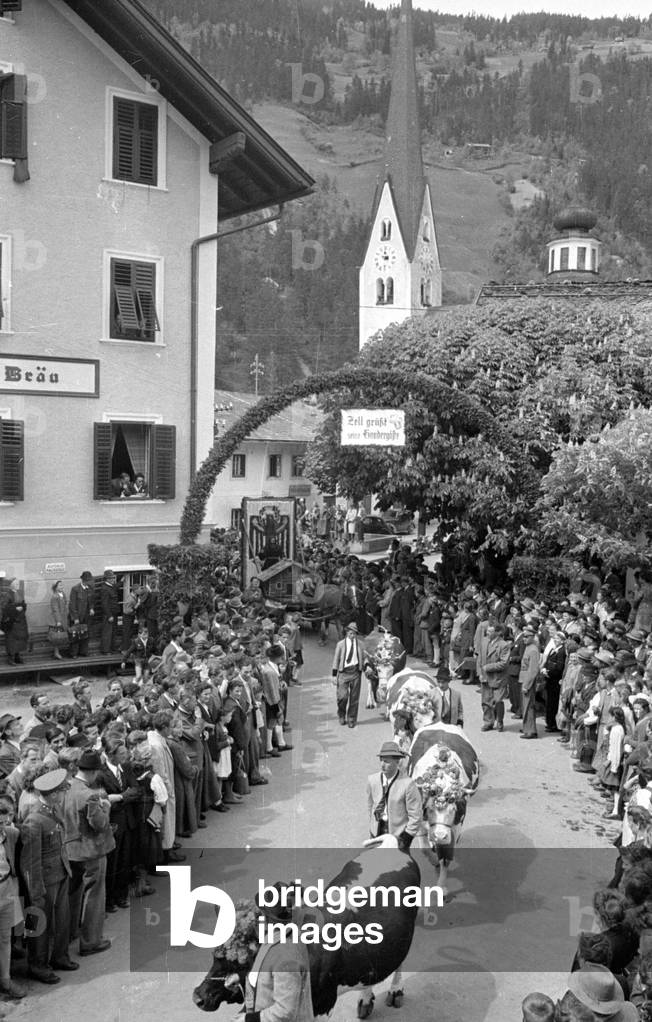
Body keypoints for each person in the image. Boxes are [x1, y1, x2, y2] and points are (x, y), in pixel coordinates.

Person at [20, 768, 77, 983]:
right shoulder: (34, 820)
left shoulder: (52, 810)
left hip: (60, 872)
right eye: (63, 791)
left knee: (62, 919)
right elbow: (30, 861)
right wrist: (35, 891)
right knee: (38, 924)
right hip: (43, 881)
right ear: (53, 794)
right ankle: (38, 965)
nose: (64, 794)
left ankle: (60, 956)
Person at [63, 749, 114, 957]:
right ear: (92, 772)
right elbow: (100, 824)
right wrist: (106, 808)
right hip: (92, 851)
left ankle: (72, 933)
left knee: (75, 894)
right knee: (94, 894)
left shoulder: (67, 788)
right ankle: (91, 940)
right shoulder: (89, 795)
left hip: (71, 850)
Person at [366, 740, 422, 851]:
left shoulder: (408, 784)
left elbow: (415, 814)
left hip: (398, 835)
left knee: (398, 865)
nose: (382, 765)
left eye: (386, 761)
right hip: (376, 831)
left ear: (397, 762)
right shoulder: (372, 780)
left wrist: (406, 837)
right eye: (381, 760)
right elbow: (370, 805)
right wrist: (373, 824)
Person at [0, 790, 25, 998]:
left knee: (6, 937)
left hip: (6, 888)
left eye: (8, 815)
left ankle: (6, 980)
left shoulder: (10, 833)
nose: (6, 820)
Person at [332, 622, 366, 728]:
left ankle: (351, 718)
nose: (353, 636)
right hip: (343, 673)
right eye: (351, 633)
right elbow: (336, 659)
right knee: (342, 697)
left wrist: (367, 666)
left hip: (355, 672)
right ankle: (341, 714)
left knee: (354, 698)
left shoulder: (360, 644)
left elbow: (364, 658)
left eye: (355, 634)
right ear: (347, 633)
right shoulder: (341, 644)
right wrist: (334, 675)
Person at [519, 625, 541, 739]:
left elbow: (533, 670)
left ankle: (531, 730)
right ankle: (527, 727)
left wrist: (526, 685)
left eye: (527, 636)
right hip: (524, 679)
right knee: (525, 705)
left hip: (528, 682)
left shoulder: (533, 650)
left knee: (529, 706)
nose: (524, 638)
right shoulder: (528, 647)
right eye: (523, 636)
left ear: (533, 637)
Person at [68, 571, 95, 659]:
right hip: (78, 616)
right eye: (87, 580)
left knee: (86, 634)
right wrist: (75, 618)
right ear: (83, 580)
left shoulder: (90, 588)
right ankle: (74, 653)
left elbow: (91, 601)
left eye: (89, 580)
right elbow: (72, 605)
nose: (89, 582)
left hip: (87, 616)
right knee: (75, 635)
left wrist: (91, 608)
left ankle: (83, 652)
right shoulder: (75, 589)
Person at [1, 578, 28, 666]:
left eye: (17, 583)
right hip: (12, 622)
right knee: (11, 640)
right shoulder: (7, 595)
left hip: (20, 622)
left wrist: (23, 607)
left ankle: (17, 656)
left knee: (19, 639)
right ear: (11, 585)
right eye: (15, 583)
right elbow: (5, 608)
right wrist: (15, 609)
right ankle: (11, 658)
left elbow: (24, 604)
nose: (17, 585)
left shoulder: (19, 593)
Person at [100, 569, 120, 655]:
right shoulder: (104, 589)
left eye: (113, 578)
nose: (113, 579)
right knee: (107, 633)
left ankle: (112, 648)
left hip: (114, 613)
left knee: (113, 632)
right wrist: (109, 615)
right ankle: (106, 650)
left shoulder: (111, 586)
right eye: (111, 578)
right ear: (107, 579)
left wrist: (122, 580)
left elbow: (116, 586)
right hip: (109, 615)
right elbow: (104, 604)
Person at [48, 580, 69, 660]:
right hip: (57, 620)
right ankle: (56, 653)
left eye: (62, 585)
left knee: (61, 635)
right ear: (55, 588)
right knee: (57, 636)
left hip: (63, 617)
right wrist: (58, 621)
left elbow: (65, 603)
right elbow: (55, 609)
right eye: (60, 586)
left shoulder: (62, 594)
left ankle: (58, 652)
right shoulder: (55, 596)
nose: (62, 587)